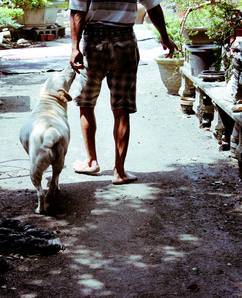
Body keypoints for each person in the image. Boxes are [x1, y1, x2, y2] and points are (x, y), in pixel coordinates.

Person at [69, 0, 177, 184]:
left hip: (93, 42)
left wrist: (74, 48)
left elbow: (77, 12)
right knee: (122, 109)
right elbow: (153, 6)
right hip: (124, 42)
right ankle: (119, 172)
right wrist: (164, 37)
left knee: (86, 103)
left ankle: (91, 161)